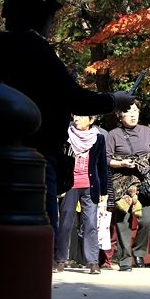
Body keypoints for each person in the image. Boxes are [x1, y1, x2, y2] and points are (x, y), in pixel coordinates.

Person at [0, 0, 134, 299]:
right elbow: (73, 98)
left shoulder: (2, 51)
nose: (53, 22)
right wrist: (113, 100)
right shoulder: (35, 51)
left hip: (4, 155)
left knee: (10, 240)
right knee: (37, 238)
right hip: (37, 156)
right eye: (50, 15)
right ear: (40, 16)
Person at [106, 102, 150, 270]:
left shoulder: (145, 131)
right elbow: (106, 159)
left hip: (144, 180)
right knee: (123, 221)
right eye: (128, 111)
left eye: (135, 110)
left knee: (147, 219)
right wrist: (121, 163)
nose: (133, 114)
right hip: (122, 180)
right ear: (120, 116)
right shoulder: (113, 134)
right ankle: (125, 260)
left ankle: (139, 252)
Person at [61, 114, 111, 274]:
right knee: (66, 221)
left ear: (91, 120)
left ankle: (93, 262)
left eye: (82, 116)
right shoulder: (66, 134)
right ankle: (60, 259)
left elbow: (102, 165)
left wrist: (104, 190)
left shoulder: (98, 138)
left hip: (90, 185)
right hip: (69, 185)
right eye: (75, 115)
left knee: (90, 223)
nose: (77, 119)